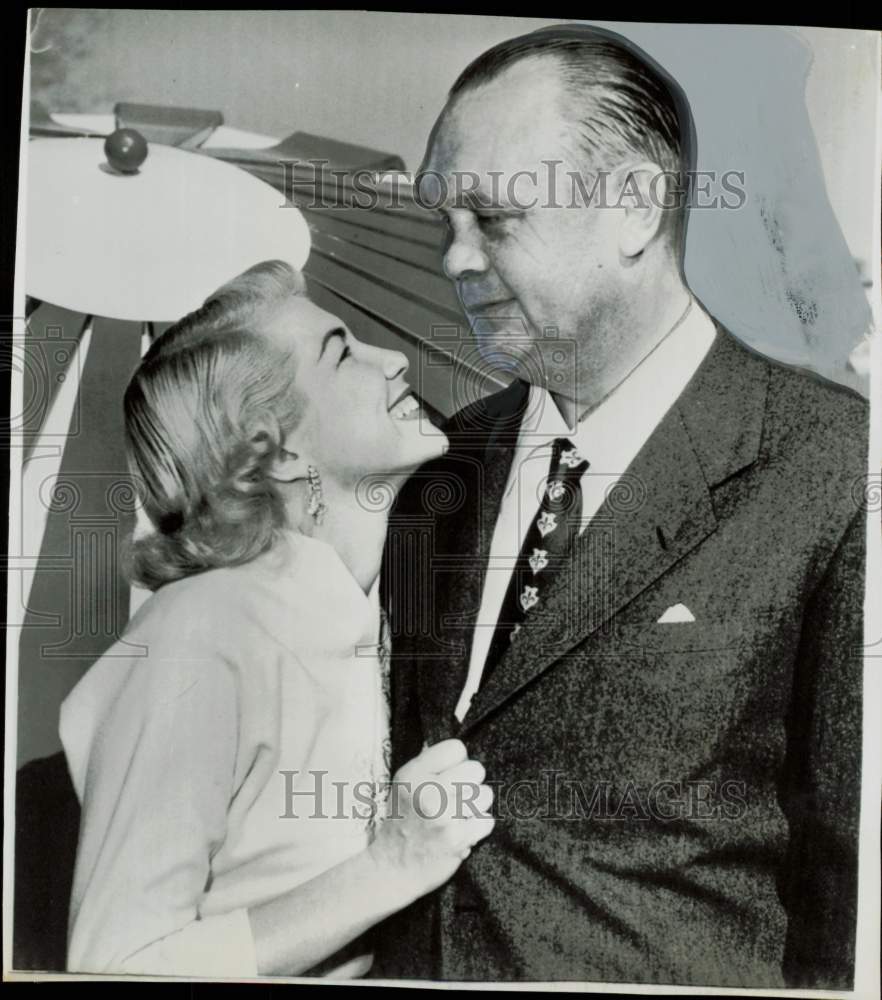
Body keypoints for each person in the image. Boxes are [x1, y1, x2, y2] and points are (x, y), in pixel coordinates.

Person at [375, 25, 868, 989]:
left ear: (635, 207)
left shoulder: (832, 466)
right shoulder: (442, 468)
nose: (454, 261)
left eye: (495, 219)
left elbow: (849, 893)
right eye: (446, 222)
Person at [58, 260, 495, 978]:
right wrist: (391, 866)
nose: (396, 361)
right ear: (279, 450)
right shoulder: (200, 634)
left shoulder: (383, 615)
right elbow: (115, 963)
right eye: (343, 351)